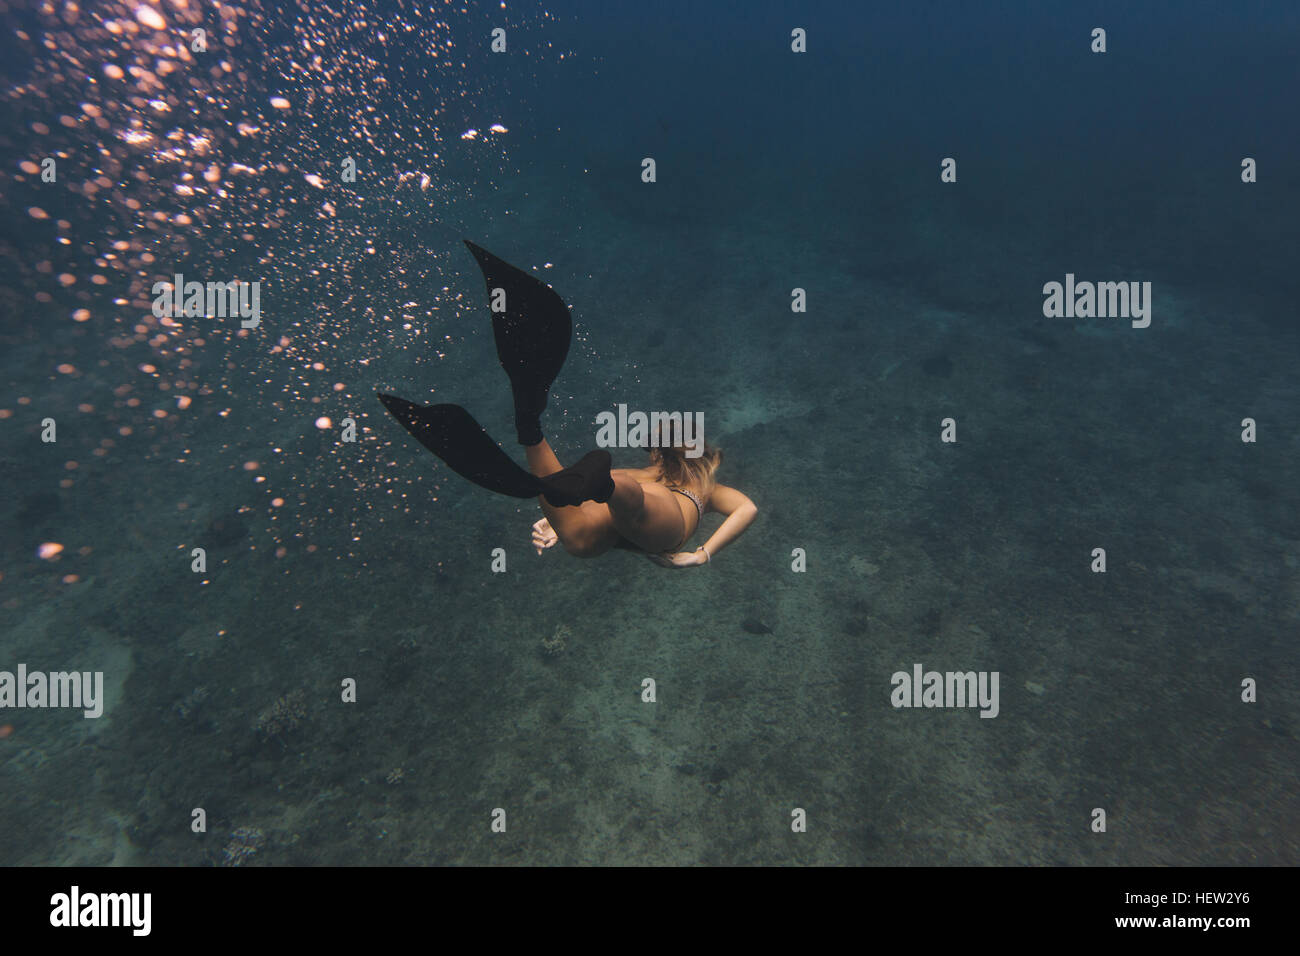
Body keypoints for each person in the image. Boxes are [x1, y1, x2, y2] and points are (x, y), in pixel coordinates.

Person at [379, 241, 756, 568]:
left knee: (578, 538)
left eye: (656, 449)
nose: (652, 455)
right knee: (623, 497)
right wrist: (698, 554)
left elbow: (745, 509)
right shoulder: (693, 487)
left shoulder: (682, 479)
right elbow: (745, 508)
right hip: (661, 525)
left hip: (615, 518)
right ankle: (576, 477)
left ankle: (531, 427)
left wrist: (559, 516)